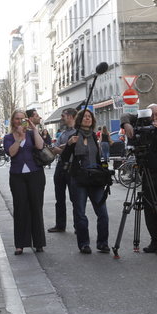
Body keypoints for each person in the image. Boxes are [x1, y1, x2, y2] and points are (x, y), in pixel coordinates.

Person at [121, 103, 157, 255]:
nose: (154, 118)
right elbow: (126, 116)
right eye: (151, 115)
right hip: (147, 173)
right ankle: (156, 240)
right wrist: (127, 124)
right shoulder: (143, 120)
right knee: (150, 210)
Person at [61, 109, 110, 254]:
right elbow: (64, 158)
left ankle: (102, 243)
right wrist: (70, 144)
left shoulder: (94, 136)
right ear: (79, 119)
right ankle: (84, 243)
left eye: (89, 117)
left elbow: (98, 158)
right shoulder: (73, 135)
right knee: (80, 213)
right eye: (84, 117)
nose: (87, 119)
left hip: (95, 178)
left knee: (102, 213)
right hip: (79, 177)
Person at [3, 109, 46, 255]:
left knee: (36, 207)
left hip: (35, 174)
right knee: (20, 208)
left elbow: (40, 146)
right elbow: (12, 153)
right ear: (12, 121)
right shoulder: (8, 137)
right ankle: (20, 244)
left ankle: (39, 242)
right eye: (17, 119)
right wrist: (19, 139)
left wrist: (34, 129)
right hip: (17, 175)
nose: (19, 121)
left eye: (23, 119)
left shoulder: (31, 134)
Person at [48, 108, 77, 233]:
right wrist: (64, 149)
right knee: (59, 198)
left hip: (73, 167)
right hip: (60, 166)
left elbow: (75, 150)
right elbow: (55, 149)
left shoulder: (78, 132)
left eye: (63, 115)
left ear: (70, 116)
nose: (61, 118)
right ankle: (60, 225)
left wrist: (62, 149)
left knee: (75, 198)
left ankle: (78, 226)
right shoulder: (64, 133)